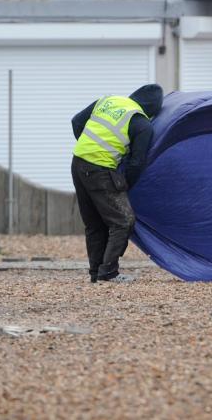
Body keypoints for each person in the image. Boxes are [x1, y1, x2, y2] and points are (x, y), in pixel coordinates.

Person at [71, 84, 164, 283]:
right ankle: (109, 273)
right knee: (123, 221)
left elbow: (76, 122)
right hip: (100, 169)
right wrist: (124, 185)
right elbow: (137, 162)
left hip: (77, 162)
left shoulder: (108, 101)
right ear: (152, 110)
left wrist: (89, 149)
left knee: (94, 223)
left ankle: (96, 272)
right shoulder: (142, 124)